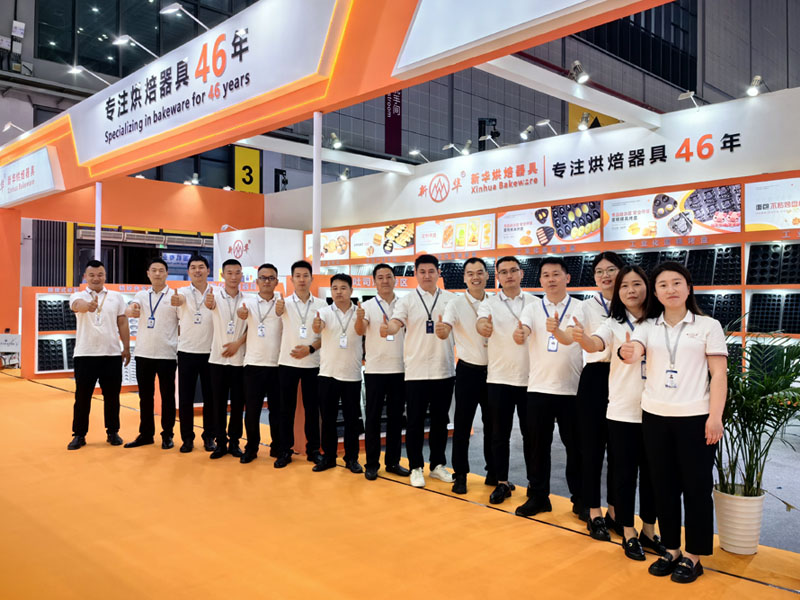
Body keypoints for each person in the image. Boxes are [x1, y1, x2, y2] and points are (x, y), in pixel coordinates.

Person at [620, 261, 727, 584]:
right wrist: (628, 350)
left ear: (688, 287)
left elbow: (719, 375)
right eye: (663, 285)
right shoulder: (647, 326)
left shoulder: (708, 326)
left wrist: (715, 417)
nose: (671, 289)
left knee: (696, 488)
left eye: (677, 283)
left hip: (696, 418)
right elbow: (635, 349)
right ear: (655, 293)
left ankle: (694, 555)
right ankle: (671, 549)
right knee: (663, 486)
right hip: (655, 417)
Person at [572, 265, 665, 560]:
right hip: (623, 409)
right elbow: (596, 343)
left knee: (653, 476)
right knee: (624, 473)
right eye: (625, 286)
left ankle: (649, 530)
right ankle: (628, 532)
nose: (630, 290)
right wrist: (583, 339)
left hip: (657, 410)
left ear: (648, 287)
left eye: (637, 284)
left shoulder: (661, 322)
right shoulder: (612, 323)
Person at [514, 256, 585, 517]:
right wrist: (519, 334)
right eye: (546, 275)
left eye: (556, 274)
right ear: (540, 280)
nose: (551, 279)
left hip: (572, 389)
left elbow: (574, 338)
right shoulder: (532, 308)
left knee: (576, 447)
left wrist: (558, 332)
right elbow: (523, 330)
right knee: (537, 447)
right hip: (538, 388)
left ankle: (581, 500)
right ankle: (539, 496)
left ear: (567, 278)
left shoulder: (580, 308)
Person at [382, 254, 456, 488]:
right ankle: (416, 467)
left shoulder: (451, 300)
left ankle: (437, 465)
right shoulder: (407, 301)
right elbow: (396, 322)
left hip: (444, 370)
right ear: (416, 274)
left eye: (431, 271)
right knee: (414, 422)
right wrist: (388, 328)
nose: (426, 275)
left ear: (438, 273)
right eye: (422, 271)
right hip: (416, 372)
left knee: (440, 422)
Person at [476, 256, 535, 504]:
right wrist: (483, 327)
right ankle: (501, 482)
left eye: (513, 270)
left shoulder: (535, 303)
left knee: (532, 436)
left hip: (531, 379)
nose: (509, 275)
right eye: (503, 272)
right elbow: (481, 322)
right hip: (499, 378)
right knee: (499, 434)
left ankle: (535, 483)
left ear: (521, 273)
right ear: (497, 277)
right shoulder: (489, 304)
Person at [574, 251, 624, 537]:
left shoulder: (634, 305)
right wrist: (573, 336)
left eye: (611, 269)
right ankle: (593, 511)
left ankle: (615, 512)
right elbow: (573, 337)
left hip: (626, 379)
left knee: (621, 451)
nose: (605, 276)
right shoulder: (585, 307)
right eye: (599, 271)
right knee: (591, 449)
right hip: (595, 377)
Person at [436, 257, 491, 494]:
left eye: (479, 272)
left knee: (494, 427)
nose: (475, 277)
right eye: (470, 273)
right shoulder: (456, 304)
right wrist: (442, 330)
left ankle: (494, 472)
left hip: (494, 372)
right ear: (465, 277)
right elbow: (446, 325)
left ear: (487, 275)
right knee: (462, 426)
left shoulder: (495, 302)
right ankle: (460, 475)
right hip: (468, 371)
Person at [355, 263, 410, 481]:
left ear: (395, 279)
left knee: (396, 418)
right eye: (380, 277)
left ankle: (393, 462)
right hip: (375, 369)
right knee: (373, 418)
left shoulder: (404, 304)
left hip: (400, 368)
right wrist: (359, 317)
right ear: (374, 281)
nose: (385, 281)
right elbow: (360, 330)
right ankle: (371, 463)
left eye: (388, 276)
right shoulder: (368, 306)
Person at [67, 260, 130, 450]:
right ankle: (79, 435)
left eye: (100, 274)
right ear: (85, 277)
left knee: (112, 397)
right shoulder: (78, 295)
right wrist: (87, 305)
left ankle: (113, 432)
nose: (96, 278)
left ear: (105, 276)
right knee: (82, 397)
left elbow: (122, 322)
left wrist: (126, 348)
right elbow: (77, 305)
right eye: (92, 275)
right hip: (85, 354)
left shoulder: (116, 297)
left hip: (111, 354)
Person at [275, 260, 327, 468]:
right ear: (292, 279)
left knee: (312, 410)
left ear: (311, 278)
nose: (302, 280)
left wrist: (310, 348)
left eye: (305, 276)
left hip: (313, 363)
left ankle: (313, 450)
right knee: (285, 410)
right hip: (287, 363)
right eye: (298, 276)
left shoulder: (322, 305)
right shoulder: (283, 304)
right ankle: (284, 451)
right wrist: (277, 310)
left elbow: (326, 337)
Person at [311, 274, 365, 473]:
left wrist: (360, 318)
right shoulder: (324, 312)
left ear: (351, 290)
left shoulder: (360, 312)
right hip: (328, 374)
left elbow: (361, 332)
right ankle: (329, 457)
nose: (339, 292)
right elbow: (317, 326)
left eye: (343, 288)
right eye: (335, 288)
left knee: (352, 420)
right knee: (328, 419)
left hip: (351, 374)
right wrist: (316, 326)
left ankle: (352, 458)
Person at [124, 258, 179, 449]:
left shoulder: (174, 296)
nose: (157, 274)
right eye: (153, 270)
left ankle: (167, 435)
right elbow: (130, 309)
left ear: (167, 273)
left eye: (161, 270)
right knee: (145, 397)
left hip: (167, 354)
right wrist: (132, 310)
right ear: (148, 273)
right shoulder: (141, 295)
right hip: (144, 353)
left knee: (168, 397)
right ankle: (146, 434)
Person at [237, 263, 283, 464]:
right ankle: (251, 447)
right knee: (252, 410)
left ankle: (278, 446)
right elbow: (240, 316)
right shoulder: (247, 303)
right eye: (263, 278)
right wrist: (241, 315)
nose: (267, 281)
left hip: (278, 365)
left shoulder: (283, 303)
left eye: (271, 278)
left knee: (277, 411)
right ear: (256, 281)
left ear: (277, 281)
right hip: (253, 363)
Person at [170, 254, 216, 453]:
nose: (198, 271)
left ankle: (209, 437)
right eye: (194, 267)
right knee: (186, 398)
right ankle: (187, 438)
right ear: (188, 271)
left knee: (211, 398)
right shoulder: (181, 293)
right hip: (186, 351)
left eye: (201, 267)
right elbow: (177, 303)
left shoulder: (217, 293)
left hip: (211, 352)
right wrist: (177, 300)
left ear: (208, 270)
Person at [204, 259, 248, 459]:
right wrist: (208, 303)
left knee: (238, 404)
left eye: (237, 273)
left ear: (242, 275)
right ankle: (220, 442)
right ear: (223, 275)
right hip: (218, 360)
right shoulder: (214, 297)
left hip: (239, 360)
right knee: (218, 404)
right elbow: (209, 305)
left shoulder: (248, 300)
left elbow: (252, 328)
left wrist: (237, 343)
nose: (233, 277)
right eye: (229, 273)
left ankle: (235, 442)